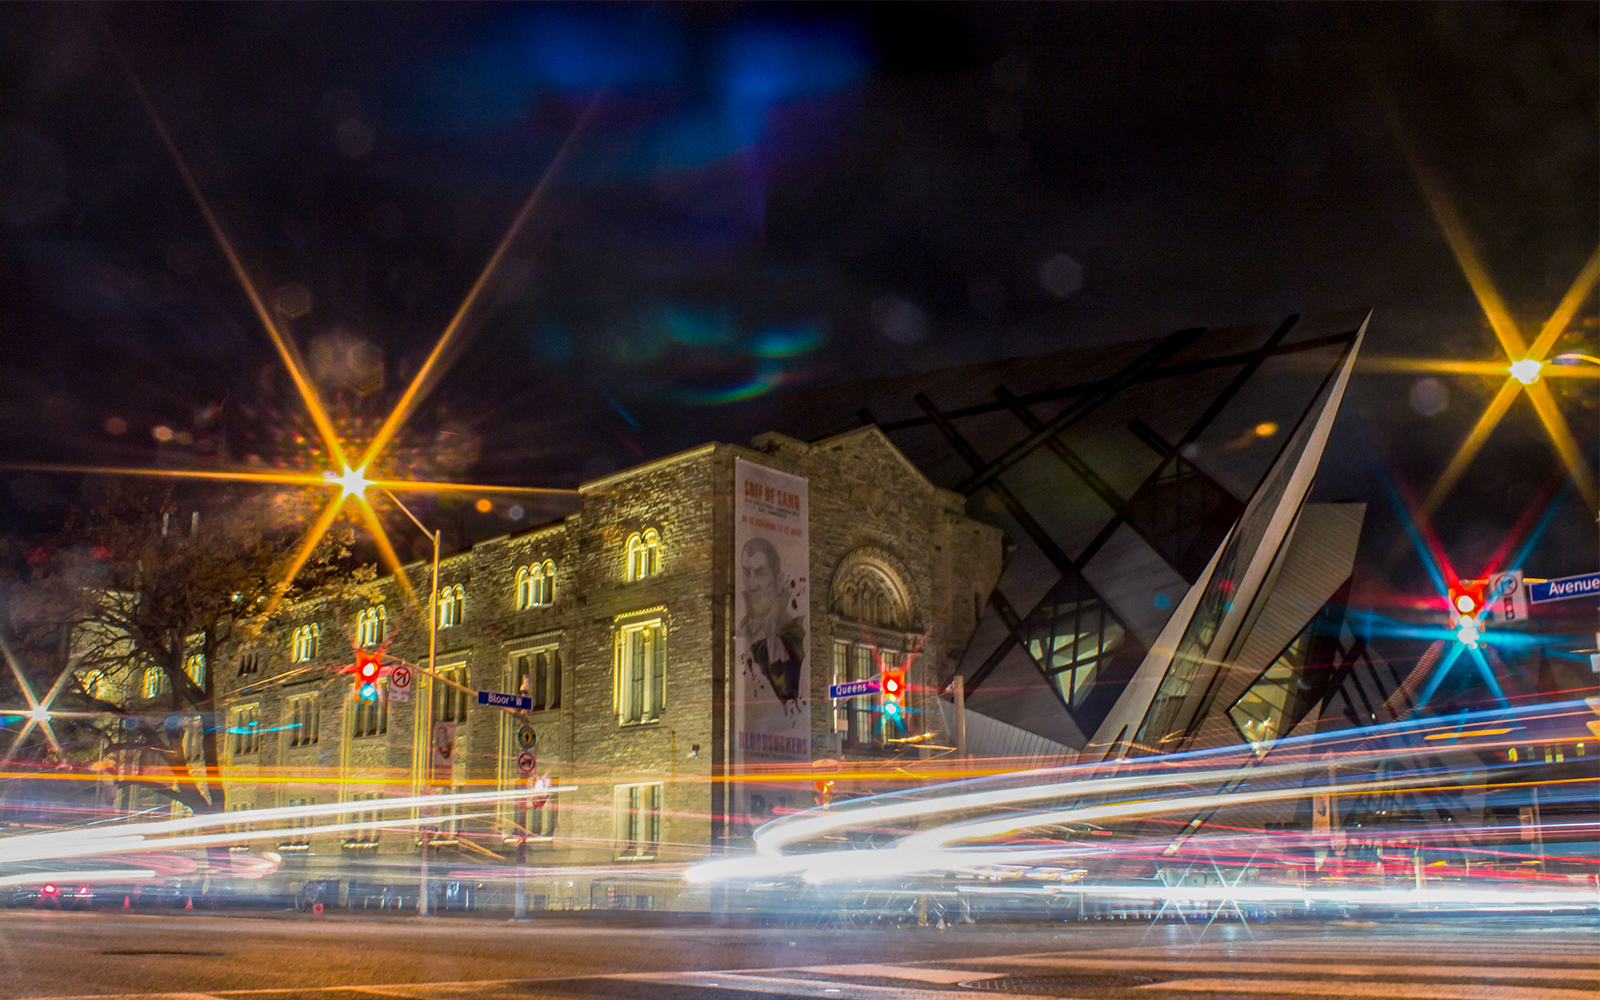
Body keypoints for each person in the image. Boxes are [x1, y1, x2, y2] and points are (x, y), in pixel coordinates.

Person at [740, 536, 805, 707]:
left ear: (779, 581)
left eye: (760, 573)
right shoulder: (742, 631)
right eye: (746, 573)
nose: (751, 585)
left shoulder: (794, 634)